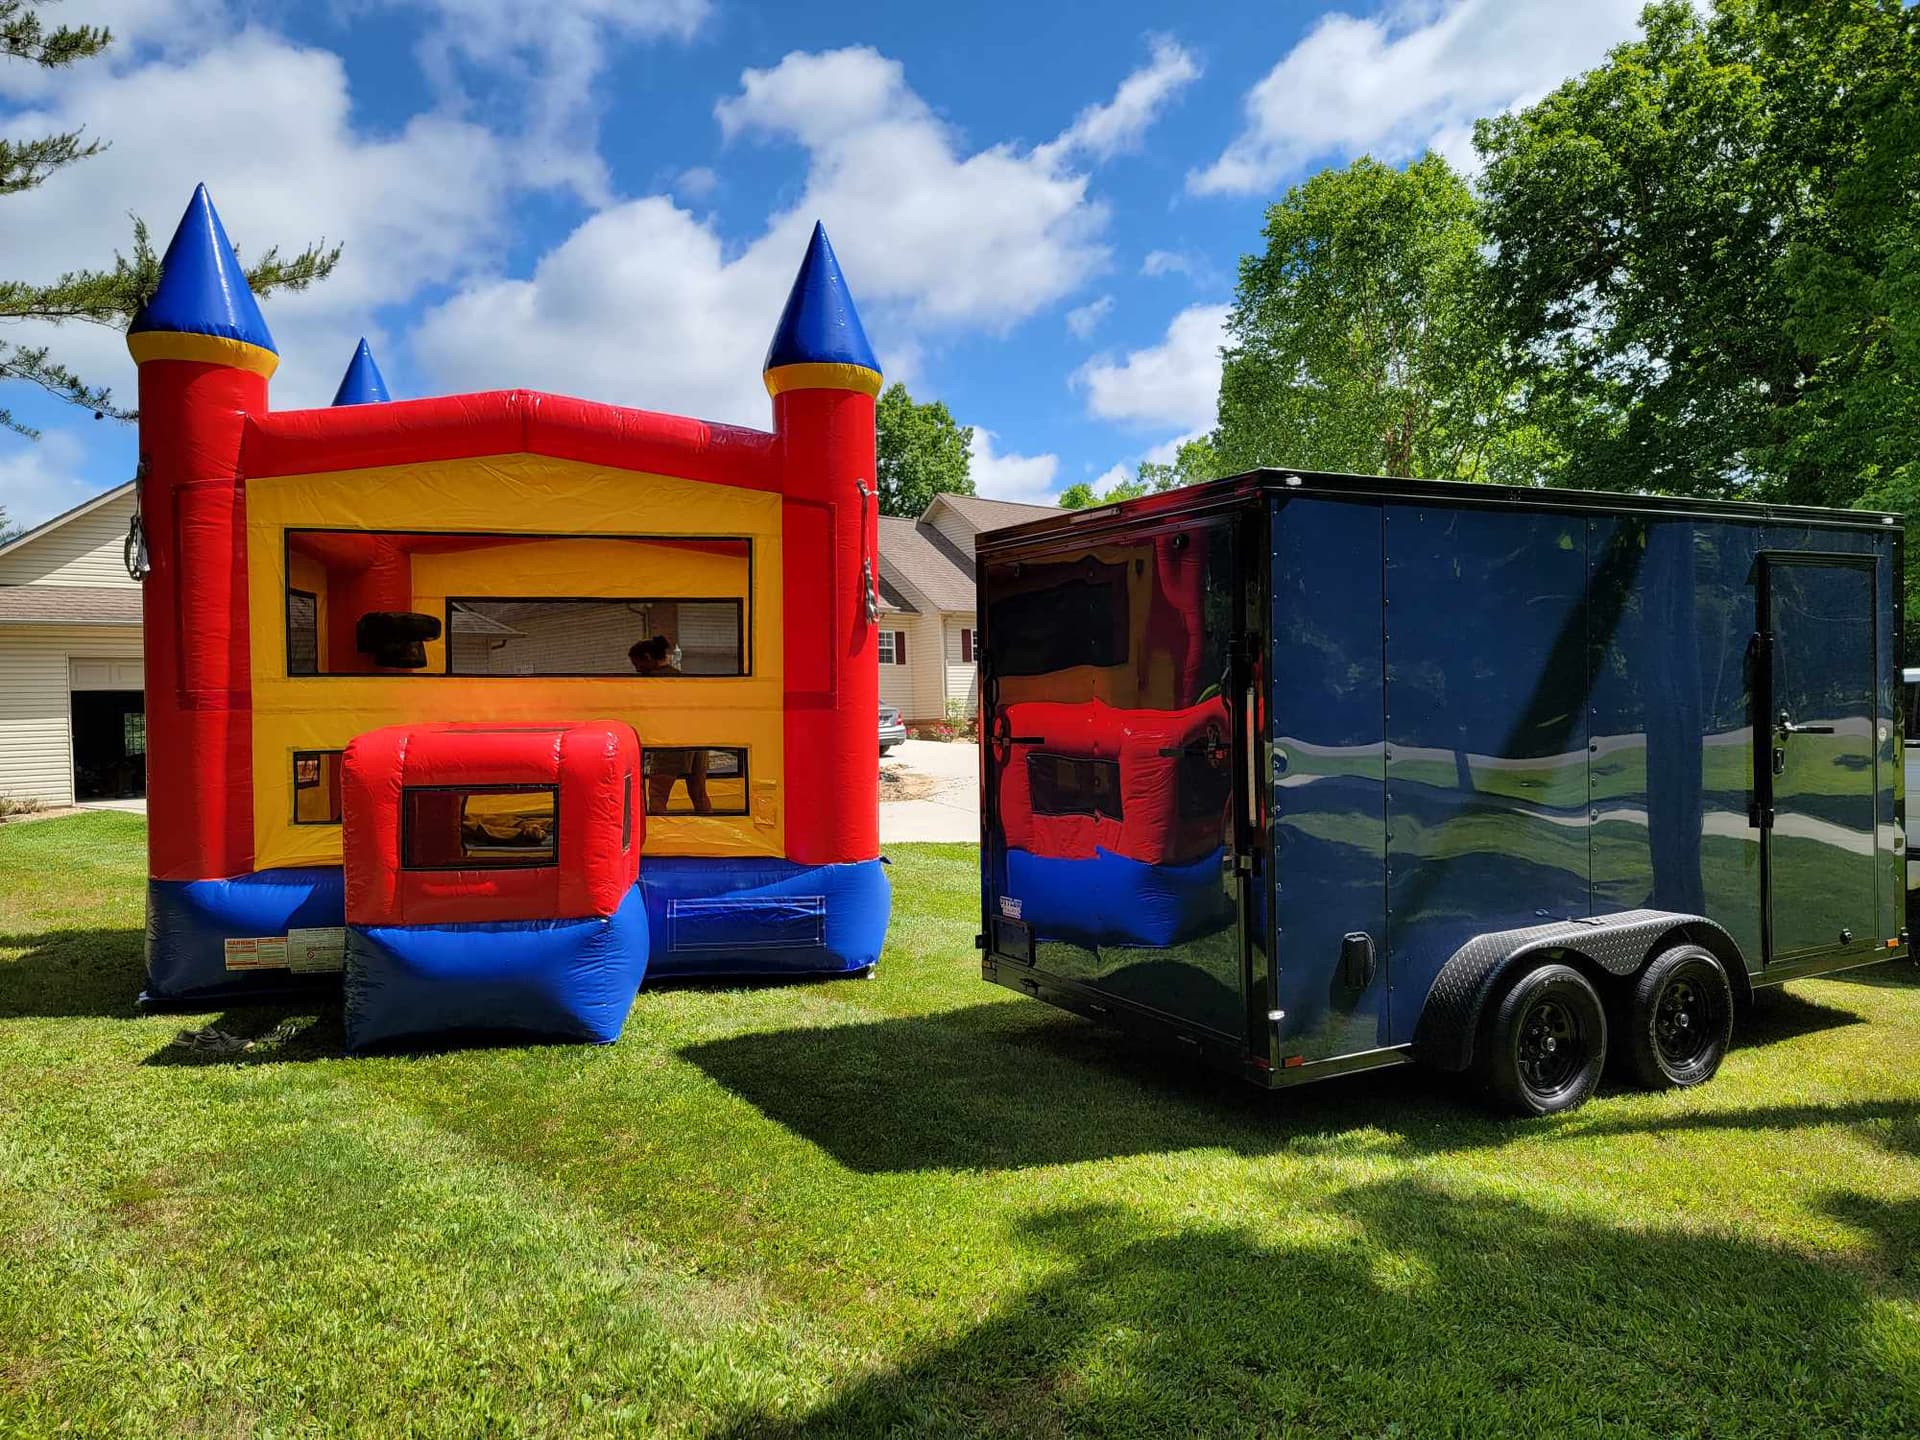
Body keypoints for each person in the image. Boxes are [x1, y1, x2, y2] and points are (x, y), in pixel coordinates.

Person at [630, 634, 711, 814]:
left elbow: (647, 715)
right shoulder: (681, 677)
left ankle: (658, 837)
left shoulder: (651, 681)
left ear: (648, 657)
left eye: (637, 664)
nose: (636, 670)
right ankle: (711, 834)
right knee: (699, 795)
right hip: (698, 743)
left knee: (658, 794)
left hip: (671, 743)